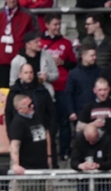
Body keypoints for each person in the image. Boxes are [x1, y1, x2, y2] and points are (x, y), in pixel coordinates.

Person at [42, 13, 78, 159]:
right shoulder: (40, 42)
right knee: (48, 122)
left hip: (63, 87)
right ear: (47, 25)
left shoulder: (66, 43)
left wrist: (62, 62)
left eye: (59, 24)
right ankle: (48, 152)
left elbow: (73, 63)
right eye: (55, 24)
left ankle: (64, 151)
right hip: (46, 88)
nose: (57, 27)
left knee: (64, 121)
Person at [0, 0, 39, 88]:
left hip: (21, 60)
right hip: (3, 60)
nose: (11, 0)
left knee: (23, 89)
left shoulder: (27, 15)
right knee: (4, 91)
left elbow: (36, 35)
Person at [76, 77, 111, 156]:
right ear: (94, 90)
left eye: (105, 89)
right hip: (93, 148)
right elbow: (78, 127)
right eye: (100, 90)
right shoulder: (89, 107)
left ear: (109, 89)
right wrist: (93, 124)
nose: (102, 93)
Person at [10, 30, 60, 95]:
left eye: (39, 41)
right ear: (28, 45)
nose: (40, 44)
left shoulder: (46, 55)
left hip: (44, 94)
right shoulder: (17, 61)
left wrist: (47, 76)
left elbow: (56, 74)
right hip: (25, 95)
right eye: (36, 42)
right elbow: (13, 83)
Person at [67, 46, 102, 128]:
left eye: (95, 55)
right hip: (80, 113)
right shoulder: (73, 74)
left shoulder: (100, 72)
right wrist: (71, 111)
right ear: (83, 56)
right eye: (92, 55)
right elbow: (69, 93)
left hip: (98, 111)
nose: (95, 57)